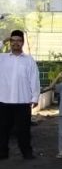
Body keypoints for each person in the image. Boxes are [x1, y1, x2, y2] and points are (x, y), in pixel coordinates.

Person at [0, 30, 40, 159]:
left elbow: (34, 79)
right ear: (10, 42)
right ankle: (2, 152)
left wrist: (35, 97)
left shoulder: (29, 60)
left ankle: (26, 152)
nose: (15, 43)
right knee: (2, 129)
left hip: (23, 101)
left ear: (22, 42)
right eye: (13, 40)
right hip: (3, 100)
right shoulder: (2, 58)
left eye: (18, 40)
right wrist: (3, 41)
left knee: (24, 130)